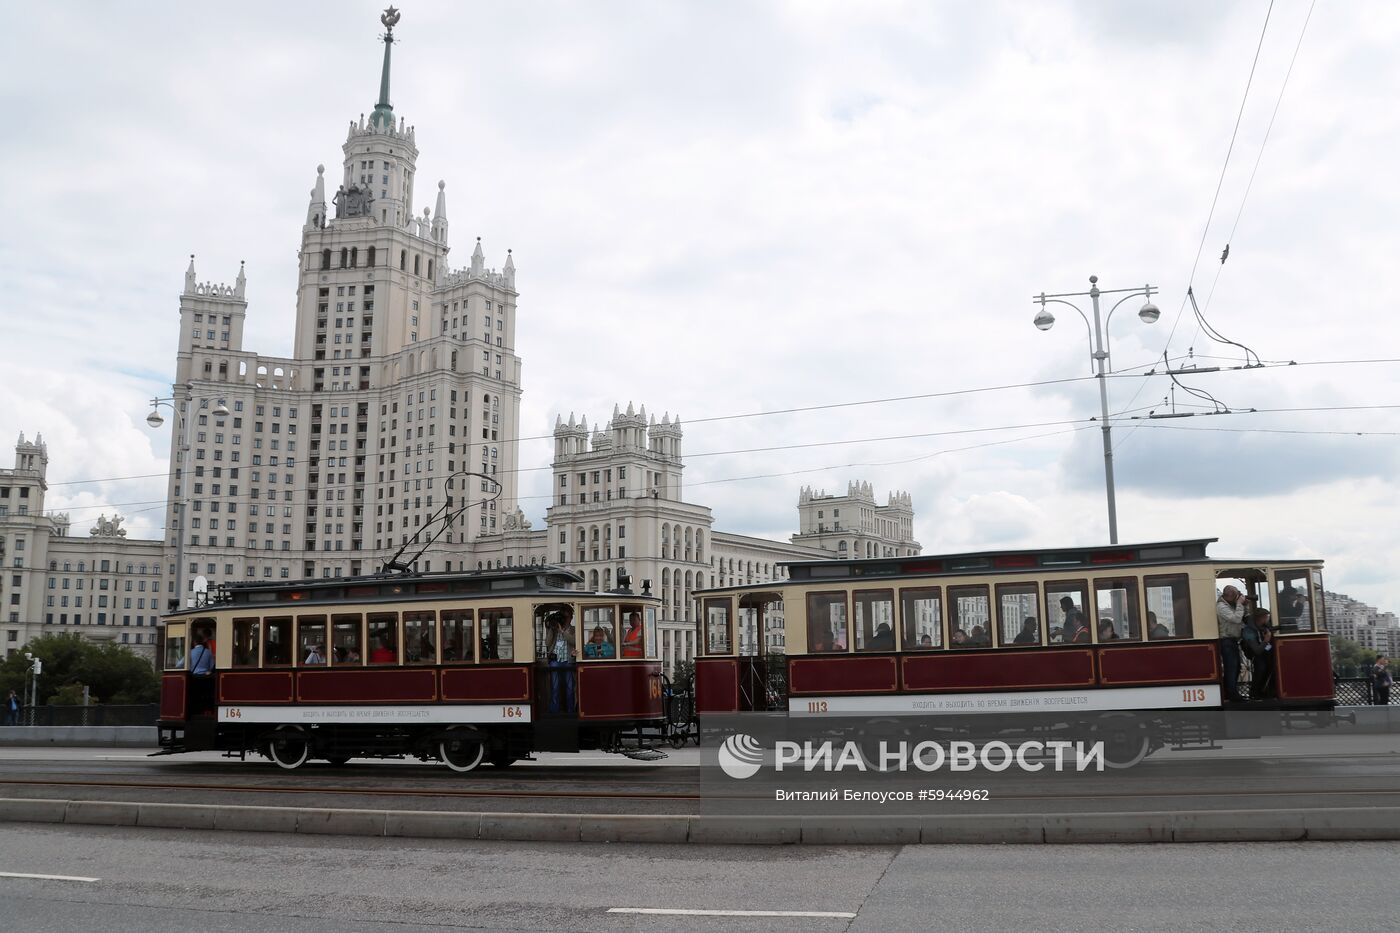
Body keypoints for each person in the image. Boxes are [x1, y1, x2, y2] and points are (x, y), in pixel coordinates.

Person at [1217, 585, 1252, 702]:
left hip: (1233, 640)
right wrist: (1240, 604)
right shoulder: (1221, 606)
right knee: (1231, 668)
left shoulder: (1232, 605)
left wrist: (1245, 606)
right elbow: (1236, 619)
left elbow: (1243, 617)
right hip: (1226, 641)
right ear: (1230, 595)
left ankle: (1231, 692)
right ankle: (1231, 694)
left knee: (1236, 667)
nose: (1238, 597)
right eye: (1236, 595)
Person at [546, 610, 577, 713]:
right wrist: (551, 628)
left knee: (569, 688)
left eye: (566, 617)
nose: (564, 619)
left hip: (568, 661)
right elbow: (547, 643)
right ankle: (555, 711)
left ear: (571, 618)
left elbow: (574, 641)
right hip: (555, 660)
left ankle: (570, 711)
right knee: (554, 687)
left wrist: (562, 632)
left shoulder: (574, 629)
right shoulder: (554, 630)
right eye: (563, 617)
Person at [1240, 608, 1274, 700]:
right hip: (1255, 654)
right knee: (1261, 668)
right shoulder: (1248, 631)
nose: (1267, 619)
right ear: (1259, 618)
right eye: (1265, 617)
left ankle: (1265, 691)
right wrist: (1266, 640)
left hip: (1265, 652)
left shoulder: (1264, 627)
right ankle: (1254, 692)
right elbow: (1257, 650)